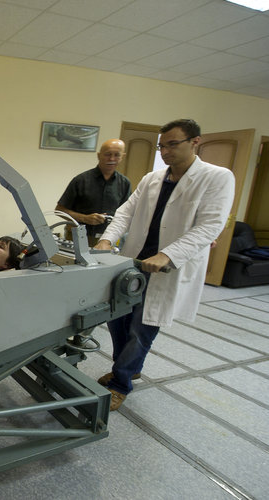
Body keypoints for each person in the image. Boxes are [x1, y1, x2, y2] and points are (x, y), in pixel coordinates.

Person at [94, 119, 235, 411]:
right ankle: (128, 367)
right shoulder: (152, 178)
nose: (165, 151)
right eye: (162, 145)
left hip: (166, 267)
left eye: (173, 144)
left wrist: (167, 255)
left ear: (195, 141)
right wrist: (107, 240)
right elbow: (124, 213)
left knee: (142, 327)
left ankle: (121, 383)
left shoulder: (217, 177)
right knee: (117, 319)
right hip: (133, 262)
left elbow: (209, 226)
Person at [56, 139, 131, 245]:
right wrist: (85, 218)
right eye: (108, 154)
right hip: (78, 238)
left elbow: (125, 214)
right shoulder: (81, 180)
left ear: (122, 156)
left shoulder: (125, 183)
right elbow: (59, 210)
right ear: (99, 155)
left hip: (107, 240)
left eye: (117, 155)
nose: (112, 159)